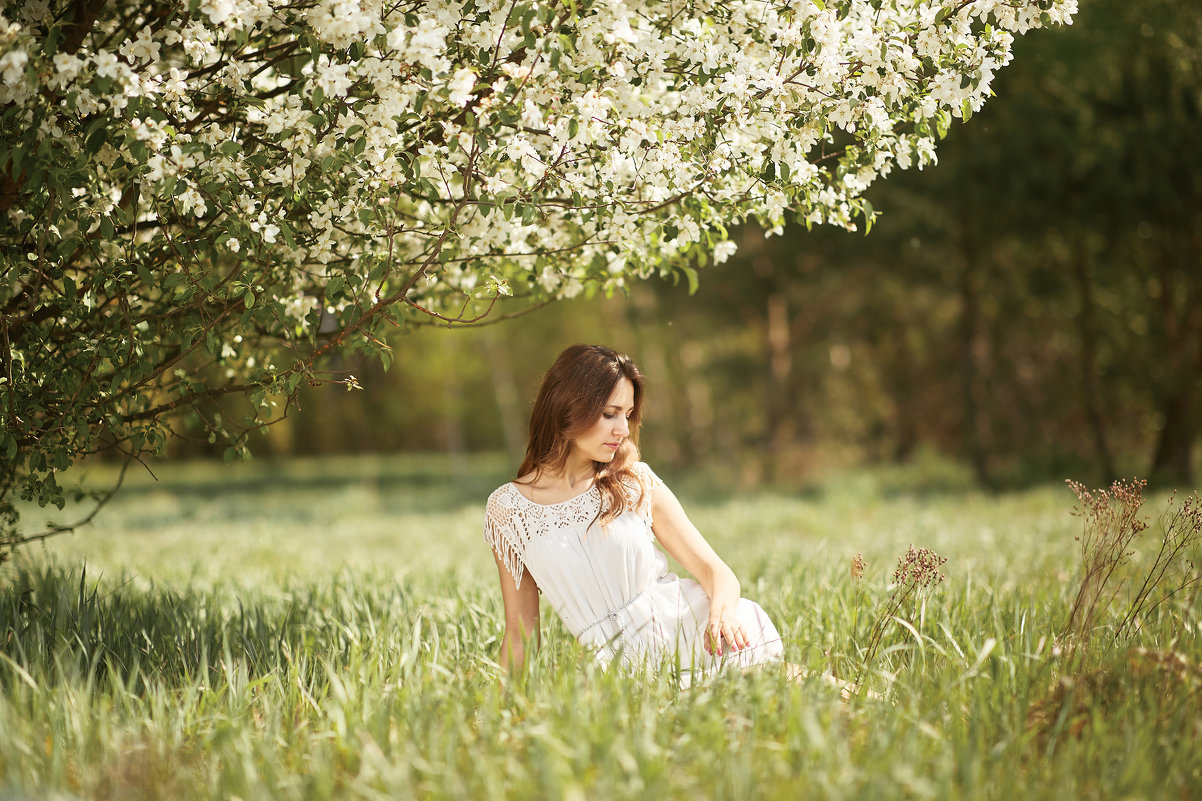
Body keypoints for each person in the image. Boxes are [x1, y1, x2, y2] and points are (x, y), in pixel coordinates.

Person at [483, 343, 786, 683]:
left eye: (626, 415)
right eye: (610, 413)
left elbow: (715, 571)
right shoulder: (508, 510)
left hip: (702, 639)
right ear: (567, 407)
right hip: (622, 678)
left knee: (807, 692)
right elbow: (521, 633)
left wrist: (722, 615)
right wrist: (491, 717)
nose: (623, 430)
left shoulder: (634, 481)